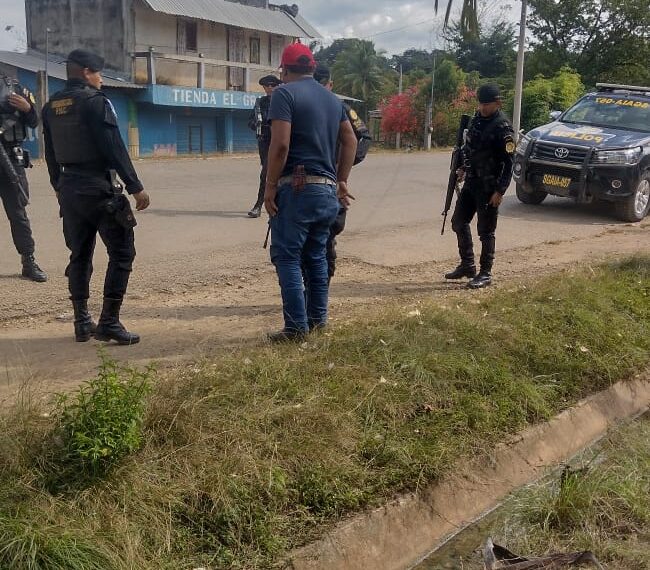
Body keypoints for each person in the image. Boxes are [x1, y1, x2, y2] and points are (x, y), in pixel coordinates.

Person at [42, 49, 150, 344]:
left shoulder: (51, 105)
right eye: (99, 73)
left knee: (79, 255)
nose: (101, 79)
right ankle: (109, 322)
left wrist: (58, 186)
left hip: (69, 189)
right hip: (98, 189)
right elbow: (113, 146)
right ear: (87, 72)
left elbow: (50, 153)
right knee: (123, 253)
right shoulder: (95, 102)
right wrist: (135, 186)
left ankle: (81, 323)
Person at [264, 43, 357, 342]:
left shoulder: (284, 94)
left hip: (297, 188)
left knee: (288, 257)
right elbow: (351, 140)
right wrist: (342, 179)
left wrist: (269, 187)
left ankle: (295, 329)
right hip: (327, 191)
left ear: (284, 70)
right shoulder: (332, 99)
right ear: (312, 69)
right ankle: (318, 321)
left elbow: (280, 145)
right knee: (316, 256)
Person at [444, 84, 515, 289]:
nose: (483, 108)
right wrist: (462, 168)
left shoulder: (503, 128)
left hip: (489, 187)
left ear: (497, 103)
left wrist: (500, 191)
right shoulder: (476, 120)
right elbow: (470, 149)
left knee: (486, 231)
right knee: (458, 222)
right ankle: (468, 264)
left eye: (487, 104)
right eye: (481, 104)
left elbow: (510, 163)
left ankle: (485, 273)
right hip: (472, 182)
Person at [312, 64, 371, 282]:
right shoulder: (301, 105)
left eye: (323, 85)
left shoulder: (341, 108)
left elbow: (363, 138)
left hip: (332, 180)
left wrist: (342, 167)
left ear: (331, 85)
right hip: (308, 179)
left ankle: (322, 286)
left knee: (327, 234)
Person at [0, 75, 47, 282]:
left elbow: (34, 121)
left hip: (10, 159)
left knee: (18, 214)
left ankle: (28, 261)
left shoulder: (15, 88)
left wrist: (27, 109)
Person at [247, 75, 282, 218]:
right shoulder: (260, 103)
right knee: (267, 173)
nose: (270, 88)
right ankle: (265, 204)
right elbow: (250, 122)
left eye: (273, 85)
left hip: (279, 141)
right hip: (265, 143)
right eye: (267, 86)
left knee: (269, 174)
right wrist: (258, 125)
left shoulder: (282, 101)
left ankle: (260, 204)